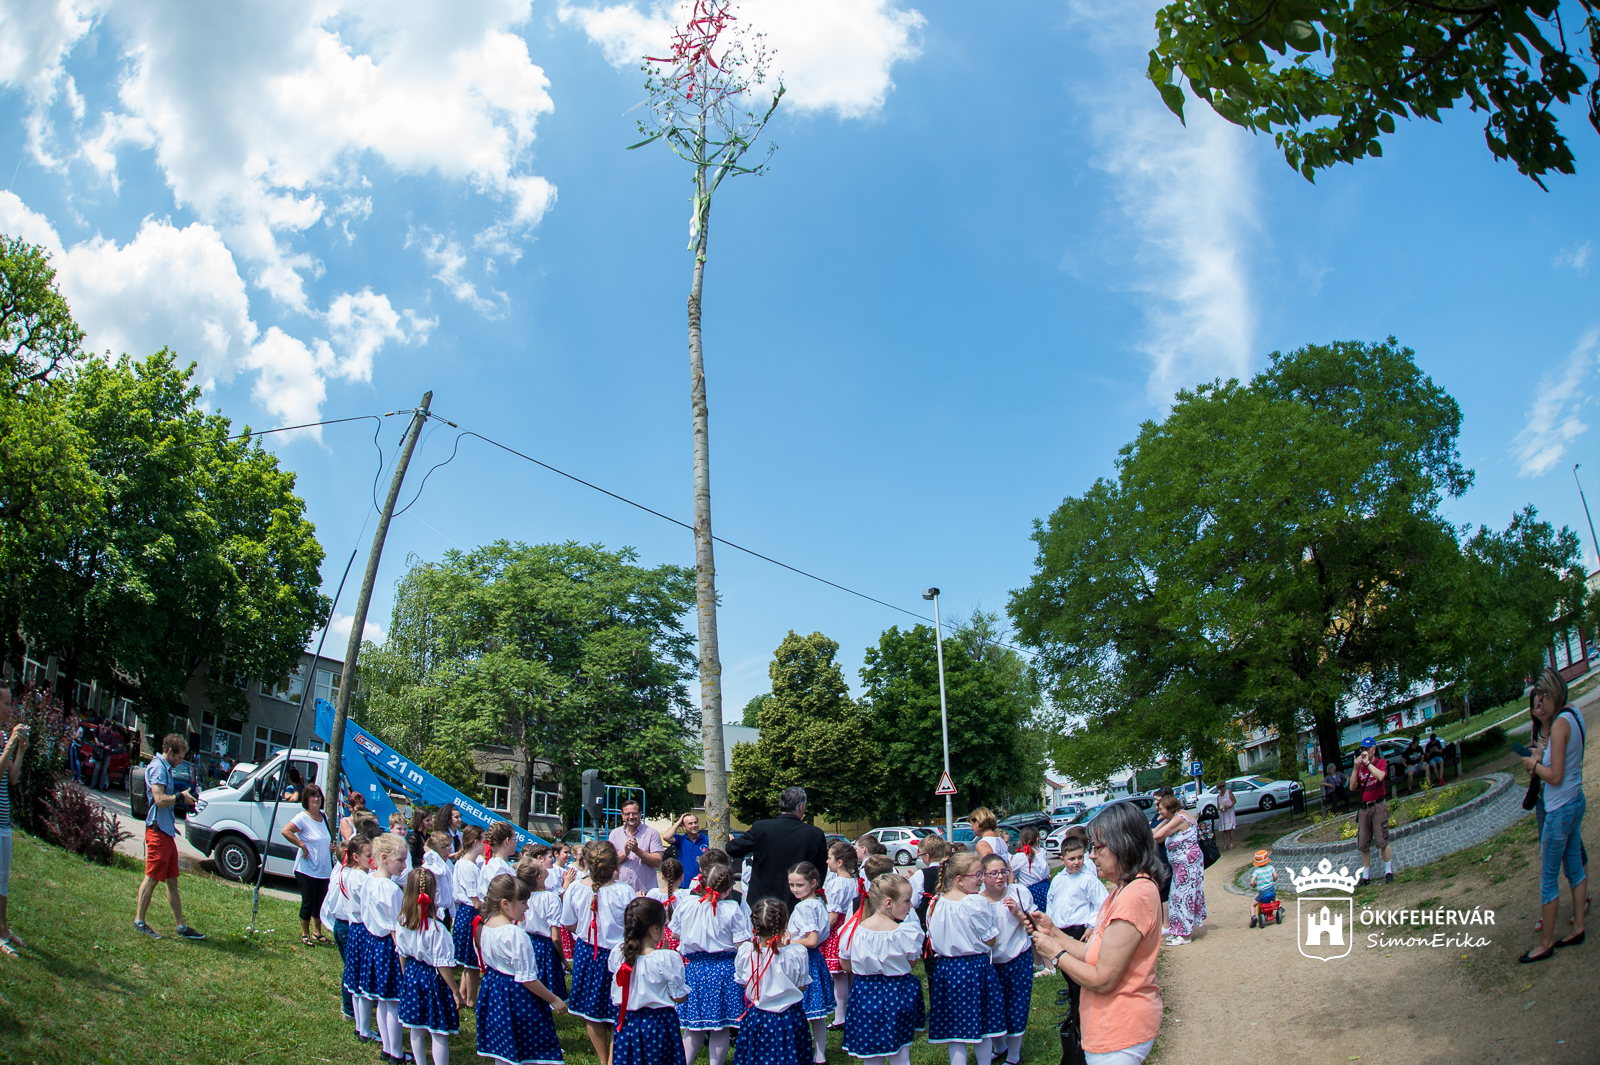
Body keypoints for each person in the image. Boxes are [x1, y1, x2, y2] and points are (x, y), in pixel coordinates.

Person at [1030, 801, 1166, 1065]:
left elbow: (1103, 978)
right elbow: (1094, 952)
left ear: (1124, 846)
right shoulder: (1124, 890)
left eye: (1098, 847)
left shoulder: (1133, 896)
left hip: (1119, 1033)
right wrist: (1054, 931)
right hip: (1111, 1029)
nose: (1091, 855)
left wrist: (1055, 955)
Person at [1519, 668, 1587, 964]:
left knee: (1548, 877)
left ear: (1555, 692)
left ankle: (1545, 943)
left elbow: (1555, 776)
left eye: (1544, 695)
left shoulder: (1559, 724)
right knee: (1574, 864)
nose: (1540, 703)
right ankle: (1580, 926)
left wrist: (1534, 766)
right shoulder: (1574, 713)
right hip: (1576, 799)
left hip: (1559, 809)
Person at [476, 873, 570, 1065]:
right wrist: (554, 999)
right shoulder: (514, 934)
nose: (527, 906)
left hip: (495, 992)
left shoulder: (486, 926)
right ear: (505, 904)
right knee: (529, 1050)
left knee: (504, 1049)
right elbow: (527, 978)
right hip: (517, 996)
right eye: (523, 902)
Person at [926, 851, 1005, 1065]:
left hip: (947, 970)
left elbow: (933, 939)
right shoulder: (975, 904)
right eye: (977, 875)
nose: (981, 879)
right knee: (983, 1026)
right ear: (959, 880)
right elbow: (990, 940)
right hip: (974, 967)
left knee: (955, 1028)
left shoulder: (936, 903)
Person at [838, 873, 925, 1065]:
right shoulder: (903, 932)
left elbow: (846, 965)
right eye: (907, 901)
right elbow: (912, 962)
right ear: (888, 903)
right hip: (897, 992)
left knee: (871, 1053)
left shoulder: (854, 930)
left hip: (865, 993)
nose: (911, 905)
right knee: (901, 1053)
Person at [671, 863, 751, 1065]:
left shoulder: (687, 904)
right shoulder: (731, 909)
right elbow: (742, 942)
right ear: (728, 889)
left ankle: (684, 1062)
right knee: (721, 1025)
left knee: (694, 1026)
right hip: (724, 970)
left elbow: (674, 933)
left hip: (696, 969)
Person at [563, 840, 634, 1063]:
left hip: (589, 954)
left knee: (593, 1010)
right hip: (617, 953)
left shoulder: (575, 888)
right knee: (617, 1009)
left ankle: (605, 1059)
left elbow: (569, 923)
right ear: (615, 865)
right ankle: (611, 1058)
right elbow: (633, 925)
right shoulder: (624, 891)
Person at [134, 733, 205, 940]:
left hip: (166, 832)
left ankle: (181, 926)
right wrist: (179, 797)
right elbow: (158, 799)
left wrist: (184, 800)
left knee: (172, 881)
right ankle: (139, 921)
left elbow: (168, 799)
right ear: (170, 751)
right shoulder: (157, 767)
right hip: (157, 833)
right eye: (180, 757)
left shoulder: (165, 767)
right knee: (152, 878)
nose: (181, 761)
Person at [396, 867, 466, 1065]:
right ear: (434, 893)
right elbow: (442, 964)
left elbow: (402, 953)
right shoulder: (437, 929)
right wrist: (455, 990)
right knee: (438, 1030)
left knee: (416, 1027)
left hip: (412, 973)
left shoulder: (402, 921)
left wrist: (405, 977)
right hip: (433, 978)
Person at [732, 897, 812, 1065]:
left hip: (758, 1017)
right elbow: (801, 986)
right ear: (785, 926)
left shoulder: (746, 953)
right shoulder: (797, 953)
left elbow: (746, 983)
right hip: (790, 1017)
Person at [611, 896, 689, 1065]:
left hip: (627, 1023)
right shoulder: (667, 959)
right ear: (655, 929)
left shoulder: (618, 953)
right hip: (658, 1025)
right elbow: (679, 997)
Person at [725, 786, 830, 908]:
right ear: (801, 807)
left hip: (762, 903)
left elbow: (734, 849)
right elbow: (821, 870)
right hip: (798, 902)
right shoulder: (815, 834)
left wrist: (730, 841)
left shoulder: (761, 828)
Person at [980, 854, 1038, 1065]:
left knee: (1016, 1006)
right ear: (982, 876)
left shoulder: (1019, 893)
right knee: (992, 1008)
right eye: (993, 873)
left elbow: (1035, 924)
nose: (999, 877)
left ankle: (1014, 1055)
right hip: (990, 963)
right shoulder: (977, 900)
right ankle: (999, 1047)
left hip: (1017, 959)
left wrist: (1019, 913)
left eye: (1003, 872)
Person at [359, 832, 409, 1063]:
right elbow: (395, 929)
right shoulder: (390, 889)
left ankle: (388, 1048)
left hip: (373, 943)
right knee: (394, 1002)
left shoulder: (369, 880)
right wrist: (404, 958)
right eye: (400, 860)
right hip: (389, 947)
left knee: (383, 1000)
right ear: (384, 858)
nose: (404, 865)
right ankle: (396, 1053)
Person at [786, 861, 834, 1061]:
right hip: (814, 960)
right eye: (792, 885)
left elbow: (812, 940)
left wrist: (786, 942)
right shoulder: (818, 902)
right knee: (817, 1014)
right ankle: (819, 1054)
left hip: (804, 960)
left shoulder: (805, 907)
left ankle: (802, 1050)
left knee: (804, 1011)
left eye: (800, 885)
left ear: (813, 883)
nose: (795, 889)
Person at [325, 835, 371, 1024]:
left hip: (343, 924)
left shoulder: (343, 873)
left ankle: (353, 1007)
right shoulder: (355, 877)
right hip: (346, 924)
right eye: (368, 854)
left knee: (351, 968)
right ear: (354, 857)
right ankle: (349, 1008)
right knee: (351, 969)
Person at [283, 782, 334, 946]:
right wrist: (301, 845)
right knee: (308, 902)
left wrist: (331, 847)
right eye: (313, 795)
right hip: (307, 868)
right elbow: (286, 831)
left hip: (323, 868)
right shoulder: (302, 817)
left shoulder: (323, 817)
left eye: (318, 796)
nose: (316, 799)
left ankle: (317, 932)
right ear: (306, 798)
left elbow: (324, 839)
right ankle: (305, 933)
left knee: (320, 902)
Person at [1151, 796, 1206, 945]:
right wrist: (1165, 819)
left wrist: (1164, 821)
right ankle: (1178, 930)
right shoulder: (1175, 818)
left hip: (1187, 866)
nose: (1159, 811)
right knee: (1175, 897)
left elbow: (1158, 836)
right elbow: (1155, 834)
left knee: (1184, 897)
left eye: (1161, 808)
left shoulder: (1180, 818)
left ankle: (1186, 934)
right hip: (1180, 868)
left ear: (1170, 808)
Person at [822, 839, 863, 1028]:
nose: (826, 862)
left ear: (839, 862)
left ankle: (841, 1016)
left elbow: (833, 915)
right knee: (849, 975)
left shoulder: (838, 883)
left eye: (829, 858)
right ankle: (853, 1012)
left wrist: (822, 932)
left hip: (838, 931)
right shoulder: (855, 881)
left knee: (839, 977)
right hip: (852, 929)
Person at [519, 851, 568, 999]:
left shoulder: (522, 897)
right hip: (545, 945)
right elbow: (555, 937)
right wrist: (563, 958)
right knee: (546, 973)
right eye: (539, 866)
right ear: (540, 878)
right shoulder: (550, 898)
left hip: (526, 940)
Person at [0, 690, 27, 957]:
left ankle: (3, 929)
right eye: (6, 702)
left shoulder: (2, 737)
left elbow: (11, 779)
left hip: (4, 821)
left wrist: (19, 750)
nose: (11, 708)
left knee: (3, 878)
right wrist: (10, 745)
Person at [1349, 737, 1393, 886]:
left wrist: (1368, 764)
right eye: (1362, 750)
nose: (1364, 752)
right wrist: (1355, 768)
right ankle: (1365, 877)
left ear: (1373, 750)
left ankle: (1388, 872)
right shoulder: (1360, 767)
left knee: (1382, 839)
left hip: (1378, 805)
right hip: (1364, 808)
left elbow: (1381, 776)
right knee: (1364, 843)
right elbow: (1352, 787)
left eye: (1367, 749)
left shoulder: (1380, 762)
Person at [452, 824, 486, 1005]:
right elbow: (476, 901)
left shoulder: (466, 863)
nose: (486, 844)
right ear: (476, 842)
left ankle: (464, 996)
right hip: (471, 914)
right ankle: (472, 1000)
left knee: (468, 961)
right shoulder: (468, 866)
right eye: (484, 840)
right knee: (472, 962)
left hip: (466, 913)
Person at [610, 800, 664, 894]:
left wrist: (637, 851)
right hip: (620, 892)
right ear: (622, 816)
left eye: (634, 813)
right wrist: (625, 853)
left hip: (645, 892)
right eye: (627, 814)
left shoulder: (651, 833)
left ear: (640, 814)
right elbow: (609, 863)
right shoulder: (615, 834)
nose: (631, 817)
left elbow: (658, 862)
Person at [1010, 827, 1051, 912]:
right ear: (1037, 840)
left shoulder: (1020, 857)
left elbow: (1010, 873)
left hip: (1030, 892)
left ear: (1020, 842)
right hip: (1046, 888)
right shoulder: (1042, 853)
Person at [669, 814, 710, 890]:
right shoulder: (681, 839)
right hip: (684, 884)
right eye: (690, 824)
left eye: (695, 823)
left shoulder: (707, 839)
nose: (694, 825)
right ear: (684, 827)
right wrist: (679, 822)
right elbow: (666, 837)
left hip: (703, 884)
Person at [1248, 849, 1277, 928]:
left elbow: (1251, 882)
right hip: (1271, 890)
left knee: (1253, 905)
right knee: (1275, 898)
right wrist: (1273, 880)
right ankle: (1280, 908)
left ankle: (1253, 917)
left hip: (1263, 893)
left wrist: (1254, 885)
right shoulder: (1271, 868)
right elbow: (1276, 876)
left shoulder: (1257, 872)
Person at [1216, 781, 1236, 850]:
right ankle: (1225, 844)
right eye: (1220, 787)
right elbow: (1218, 807)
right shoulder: (1218, 797)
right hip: (1223, 813)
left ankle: (1232, 843)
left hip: (1229, 812)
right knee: (1224, 830)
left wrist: (1229, 806)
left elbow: (1234, 801)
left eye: (1222, 786)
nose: (1221, 788)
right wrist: (1220, 809)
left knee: (1230, 828)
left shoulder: (1229, 792)